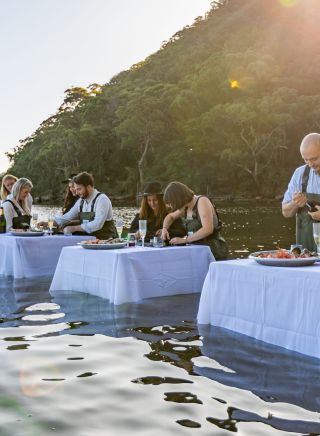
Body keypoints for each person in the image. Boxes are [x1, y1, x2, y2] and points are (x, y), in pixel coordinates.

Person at [160, 181, 228, 260]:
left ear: (178, 199)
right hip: (195, 248)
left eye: (172, 203)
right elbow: (170, 217)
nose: (171, 206)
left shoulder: (202, 201)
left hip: (212, 249)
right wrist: (164, 228)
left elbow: (208, 229)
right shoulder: (185, 206)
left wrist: (184, 240)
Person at [47, 171, 118, 239]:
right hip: (89, 241)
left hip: (107, 241)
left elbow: (97, 224)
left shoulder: (102, 199)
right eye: (76, 189)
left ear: (89, 187)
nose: (77, 192)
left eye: (79, 189)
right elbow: (66, 217)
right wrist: (48, 223)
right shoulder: (81, 201)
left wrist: (74, 228)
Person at [282, 132, 320, 251]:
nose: (310, 164)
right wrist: (295, 203)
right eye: (306, 160)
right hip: (306, 256)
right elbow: (286, 212)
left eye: (314, 159)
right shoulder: (300, 174)